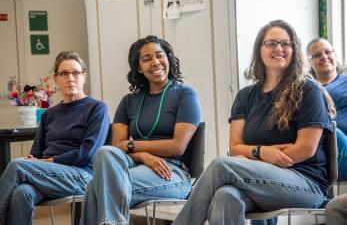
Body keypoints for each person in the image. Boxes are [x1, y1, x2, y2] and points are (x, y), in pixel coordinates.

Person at [172, 19, 335, 225]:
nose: (279, 48)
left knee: (221, 165)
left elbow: (306, 149)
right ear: (260, 50)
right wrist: (262, 152)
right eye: (271, 43)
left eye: (286, 43)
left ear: (294, 50)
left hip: (304, 183)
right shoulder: (245, 96)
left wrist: (255, 159)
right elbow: (235, 146)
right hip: (261, 182)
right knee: (225, 195)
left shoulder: (308, 89)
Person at [79, 35, 201, 225]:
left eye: (160, 56)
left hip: (170, 172)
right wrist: (144, 156)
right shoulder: (129, 101)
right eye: (146, 59)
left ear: (168, 59)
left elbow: (177, 146)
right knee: (105, 153)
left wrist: (133, 145)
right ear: (138, 68)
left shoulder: (185, 95)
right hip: (135, 166)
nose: (155, 62)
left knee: (96, 187)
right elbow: (117, 148)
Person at [0, 51, 110, 225]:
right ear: (56, 78)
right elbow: (36, 153)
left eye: (76, 73)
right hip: (48, 174)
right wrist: (36, 161)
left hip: (82, 175)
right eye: (64, 73)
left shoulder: (97, 108)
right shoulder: (48, 114)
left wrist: (49, 162)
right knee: (22, 193)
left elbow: (88, 153)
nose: (70, 78)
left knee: (17, 165)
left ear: (84, 76)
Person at [306, 38, 347, 181]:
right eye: (317, 55)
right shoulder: (307, 89)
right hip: (318, 152)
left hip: (341, 147)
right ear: (309, 62)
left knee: (330, 130)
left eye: (328, 52)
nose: (324, 57)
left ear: (335, 56)